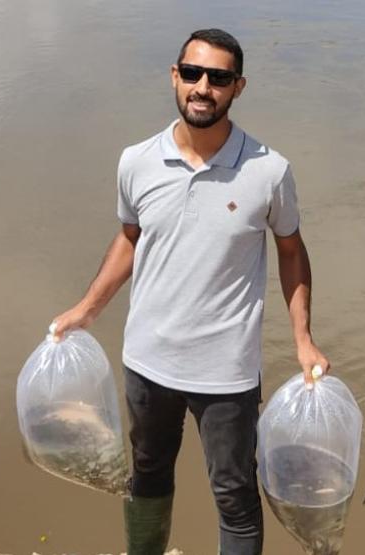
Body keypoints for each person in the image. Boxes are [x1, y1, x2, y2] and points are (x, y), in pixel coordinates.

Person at [51, 28, 329, 555]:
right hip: (147, 359)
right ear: (175, 77)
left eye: (219, 78)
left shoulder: (268, 170)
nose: (204, 87)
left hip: (227, 372)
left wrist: (303, 339)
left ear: (237, 87)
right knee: (148, 473)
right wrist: (87, 309)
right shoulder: (136, 161)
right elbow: (131, 237)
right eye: (193, 73)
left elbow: (291, 250)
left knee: (234, 492)